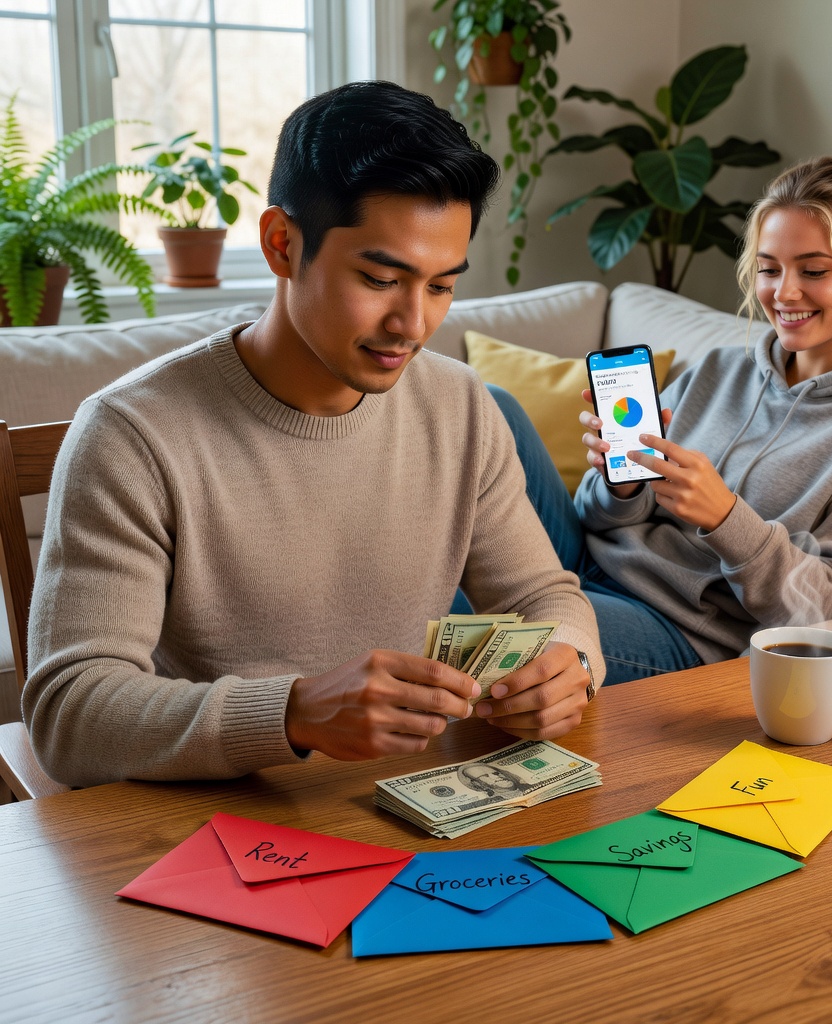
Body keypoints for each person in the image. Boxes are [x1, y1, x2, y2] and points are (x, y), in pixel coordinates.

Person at [22, 81, 604, 788]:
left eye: (442, 285)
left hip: (399, 806)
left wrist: (568, 662)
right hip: (208, 828)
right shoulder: (131, 434)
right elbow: (69, 713)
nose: (414, 325)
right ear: (281, 244)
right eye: (380, 277)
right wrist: (293, 713)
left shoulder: (461, 405)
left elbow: (545, 596)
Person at [491, 153, 832, 685]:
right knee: (488, 404)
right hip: (585, 561)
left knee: (463, 623)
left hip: (677, 629)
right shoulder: (721, 368)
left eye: (814, 270)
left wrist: (726, 518)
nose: (784, 293)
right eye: (769, 268)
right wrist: (620, 490)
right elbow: (601, 517)